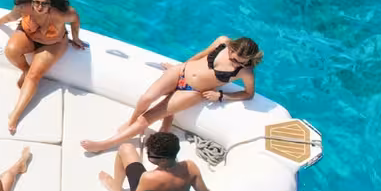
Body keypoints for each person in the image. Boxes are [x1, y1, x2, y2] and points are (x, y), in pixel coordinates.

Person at [80, 35, 262, 155]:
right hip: (180, 72)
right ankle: (131, 124)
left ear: (248, 60)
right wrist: (180, 67)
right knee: (146, 99)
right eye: (232, 55)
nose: (233, 59)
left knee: (148, 118)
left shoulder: (245, 72)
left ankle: (106, 144)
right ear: (232, 47)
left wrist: (221, 96)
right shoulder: (223, 42)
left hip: (192, 92)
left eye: (239, 60)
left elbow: (248, 94)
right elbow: (201, 55)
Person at [0, 0, 85, 135]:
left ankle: (15, 115)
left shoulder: (61, 14)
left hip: (53, 44)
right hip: (28, 36)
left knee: (34, 76)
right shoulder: (24, 7)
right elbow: (12, 17)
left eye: (44, 3)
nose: (39, 7)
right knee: (11, 51)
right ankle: (25, 69)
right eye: (36, 2)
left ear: (51, 3)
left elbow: (75, 19)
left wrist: (76, 38)